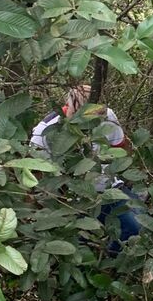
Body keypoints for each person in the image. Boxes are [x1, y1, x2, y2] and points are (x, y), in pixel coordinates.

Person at [30, 85, 141, 254]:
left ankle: (112, 260)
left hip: (108, 190)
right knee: (74, 245)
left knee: (138, 225)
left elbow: (121, 151)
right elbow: (35, 174)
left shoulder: (107, 116)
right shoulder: (44, 131)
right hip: (68, 198)